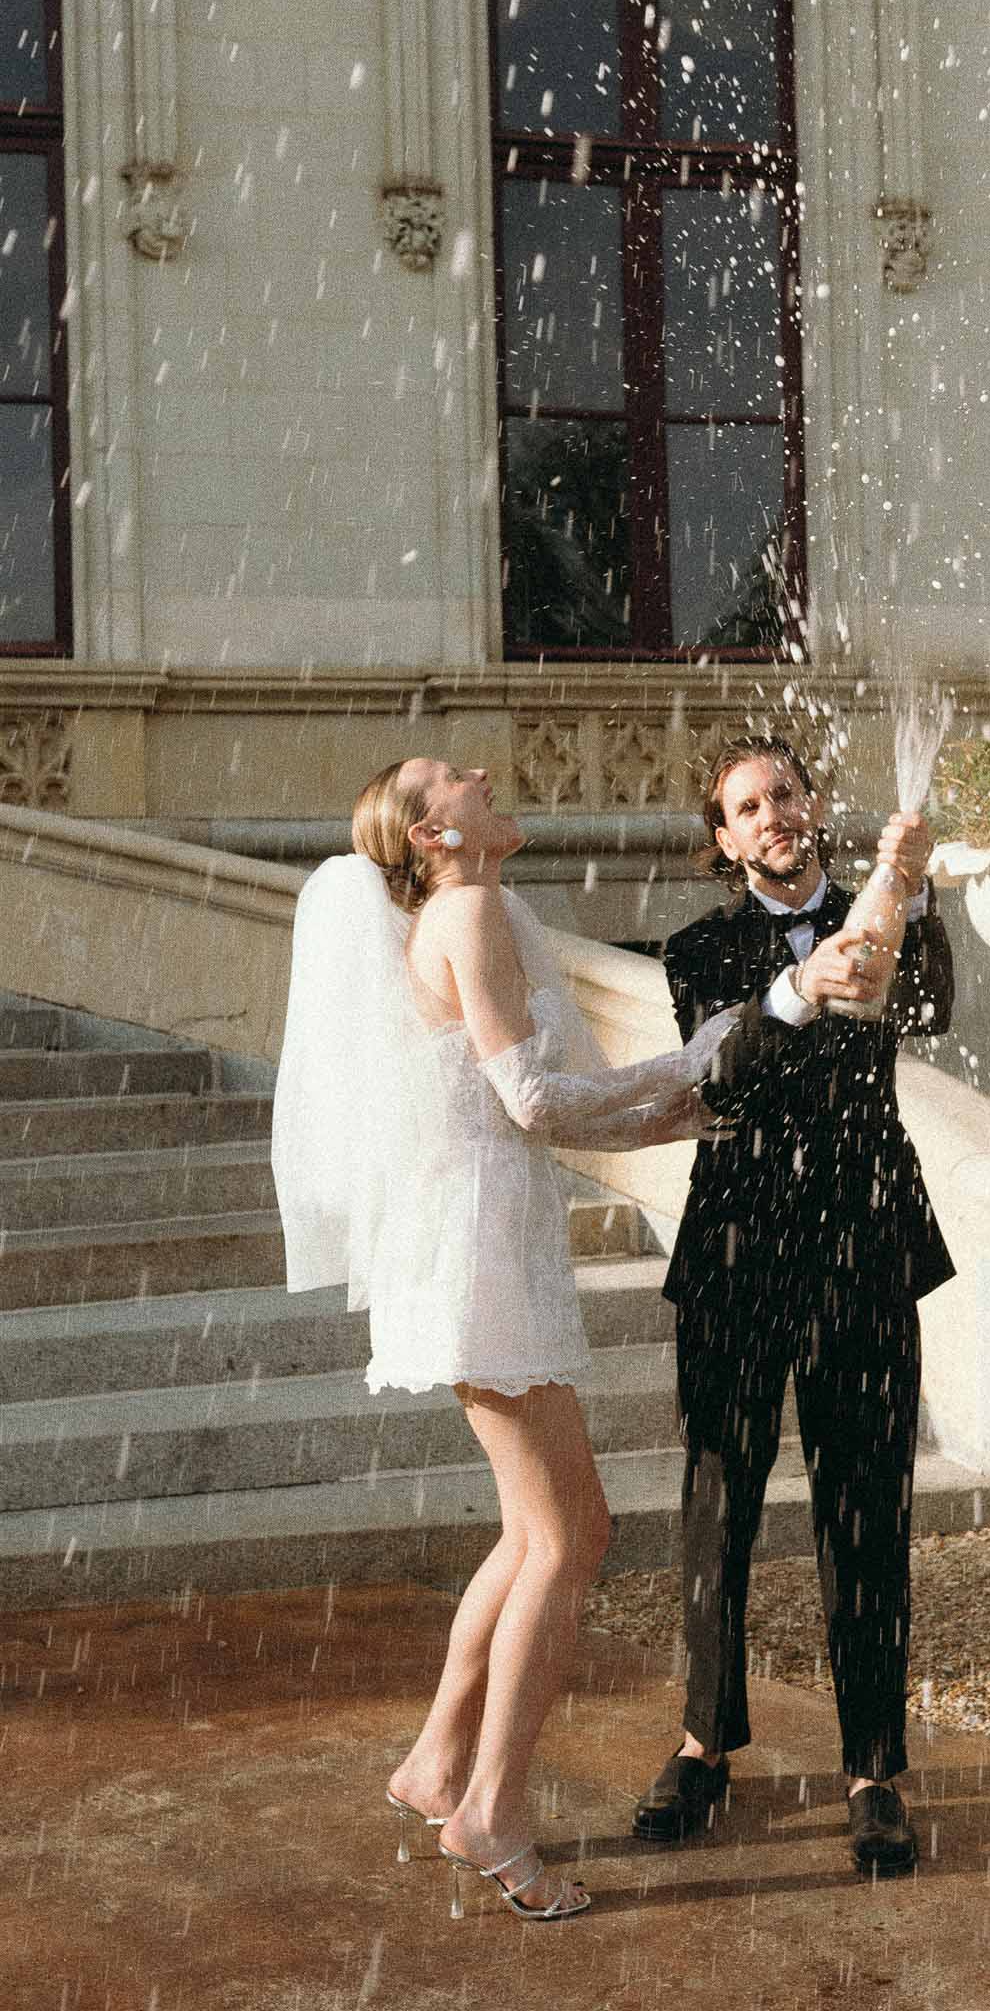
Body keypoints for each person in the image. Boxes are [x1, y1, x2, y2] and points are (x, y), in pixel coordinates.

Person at [271, 758, 735, 1924]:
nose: (481, 773)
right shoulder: (469, 909)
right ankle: (492, 1807)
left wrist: (673, 1102)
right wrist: (689, 1066)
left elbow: (529, 1097)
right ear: (433, 834)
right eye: (452, 778)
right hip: (478, 1252)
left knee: (536, 1527)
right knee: (574, 1532)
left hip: (473, 1243)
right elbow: (532, 1100)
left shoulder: (466, 909)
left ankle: (438, 1758)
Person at [631, 734, 955, 1875]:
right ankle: (702, 1741)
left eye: (785, 793)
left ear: (813, 807)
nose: (773, 813)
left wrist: (905, 889)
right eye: (746, 805)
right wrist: (795, 989)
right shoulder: (698, 949)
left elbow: (924, 1005)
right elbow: (721, 1071)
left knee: (866, 1503)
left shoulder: (891, 906)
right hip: (737, 1246)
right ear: (723, 839)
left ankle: (874, 1768)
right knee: (716, 1500)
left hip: (865, 1240)